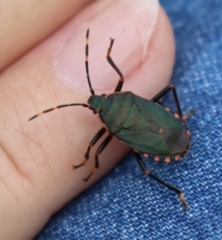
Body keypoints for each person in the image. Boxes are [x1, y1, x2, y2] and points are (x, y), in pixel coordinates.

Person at [0, 0, 175, 239]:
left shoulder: (110, 124)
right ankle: (181, 119)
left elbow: (94, 147)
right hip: (166, 125)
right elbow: (121, 76)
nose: (96, 101)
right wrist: (108, 55)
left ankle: (177, 192)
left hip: (150, 136)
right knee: (170, 88)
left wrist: (89, 162)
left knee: (106, 154)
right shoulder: (122, 95)